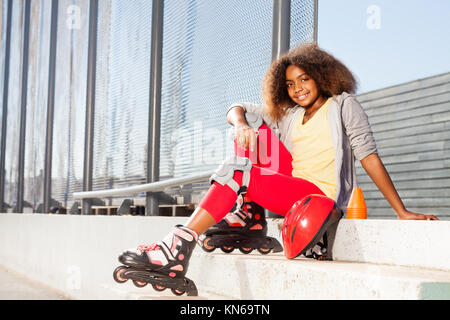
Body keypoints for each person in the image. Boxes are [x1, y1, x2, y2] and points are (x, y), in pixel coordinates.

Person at [118, 43, 438, 286]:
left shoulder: (343, 105)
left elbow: (368, 155)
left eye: (304, 79)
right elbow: (237, 107)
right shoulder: (290, 116)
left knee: (239, 169)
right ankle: (251, 217)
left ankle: (178, 246)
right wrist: (241, 125)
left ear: (321, 76)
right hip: (294, 194)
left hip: (321, 198)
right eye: (289, 84)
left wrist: (400, 210)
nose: (297, 88)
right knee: (251, 131)